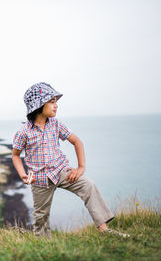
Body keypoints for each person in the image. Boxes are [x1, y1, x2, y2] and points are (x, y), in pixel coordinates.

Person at [11, 82, 129, 238]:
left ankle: (104, 230)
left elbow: (77, 142)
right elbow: (15, 155)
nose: (56, 106)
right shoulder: (24, 132)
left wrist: (81, 167)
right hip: (39, 179)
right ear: (38, 105)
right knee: (41, 216)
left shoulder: (56, 124)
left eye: (56, 102)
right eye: (51, 102)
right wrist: (22, 174)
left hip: (61, 171)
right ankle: (42, 244)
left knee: (89, 186)